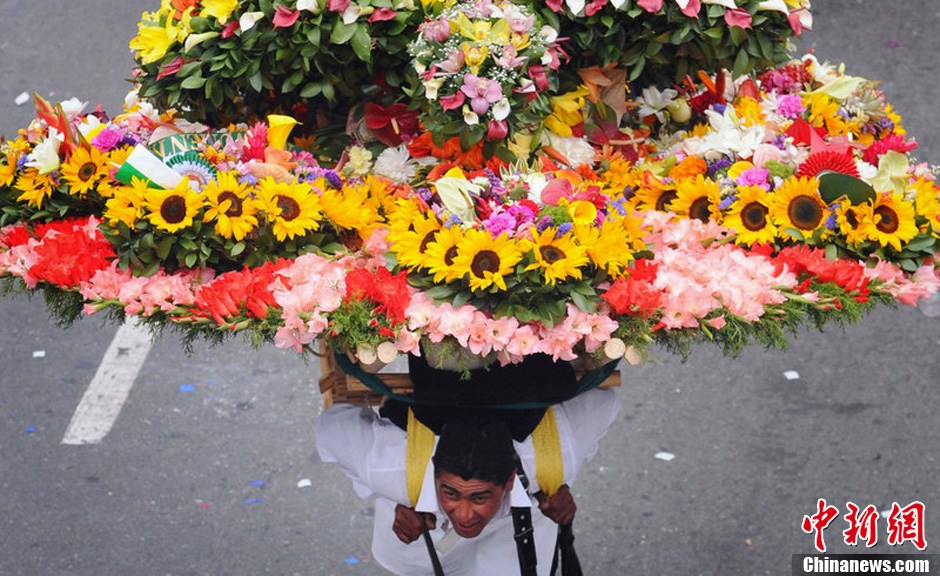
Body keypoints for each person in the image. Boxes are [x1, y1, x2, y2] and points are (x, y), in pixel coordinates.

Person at [315, 374, 619, 575]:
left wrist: (566, 476)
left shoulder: (555, 456)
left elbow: (604, 401)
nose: (464, 514)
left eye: (479, 496)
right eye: (450, 493)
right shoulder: (392, 466)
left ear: (510, 480)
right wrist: (385, 492)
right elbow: (331, 427)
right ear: (432, 474)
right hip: (421, 557)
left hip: (515, 554)